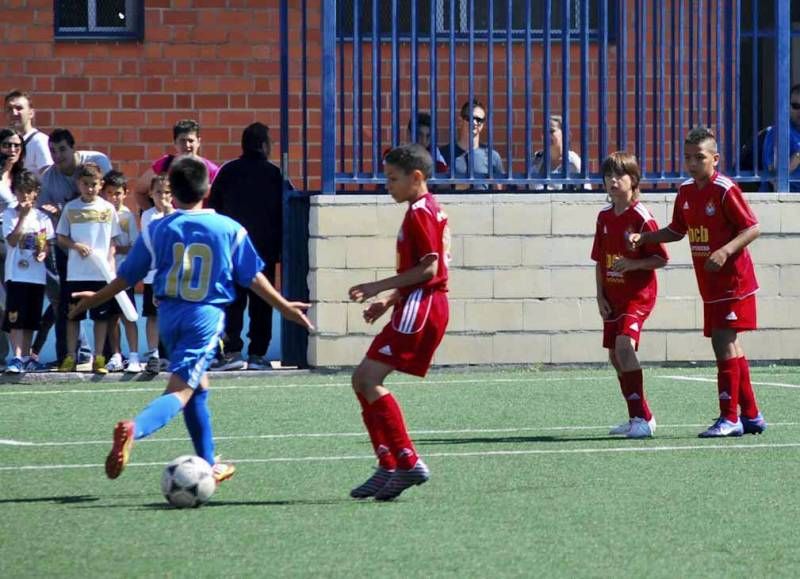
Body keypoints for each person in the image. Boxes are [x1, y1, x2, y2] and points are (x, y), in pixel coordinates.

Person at [69, 156, 314, 484]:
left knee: (198, 387)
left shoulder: (157, 228)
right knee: (181, 390)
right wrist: (283, 306)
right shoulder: (229, 229)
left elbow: (128, 276)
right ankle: (134, 429)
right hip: (204, 318)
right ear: (208, 189)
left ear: (174, 190)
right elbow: (253, 277)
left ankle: (209, 462)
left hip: (169, 317)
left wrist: (95, 298)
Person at [630, 127, 767, 437]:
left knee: (723, 343)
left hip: (734, 282)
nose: (693, 164)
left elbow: (752, 227)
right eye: (688, 158)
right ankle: (752, 415)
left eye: (700, 158)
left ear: (714, 159)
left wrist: (725, 250)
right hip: (711, 285)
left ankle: (729, 418)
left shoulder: (724, 189)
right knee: (730, 344)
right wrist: (647, 237)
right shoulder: (687, 191)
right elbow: (677, 230)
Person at [347, 143, 450, 501]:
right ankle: (389, 463)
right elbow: (418, 271)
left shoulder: (421, 211)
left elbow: (429, 269)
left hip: (422, 307)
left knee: (367, 378)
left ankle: (405, 460)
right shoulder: (422, 209)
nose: (386, 184)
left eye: (392, 178)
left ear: (416, 177)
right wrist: (387, 302)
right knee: (362, 379)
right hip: (416, 303)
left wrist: (378, 286)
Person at [591, 152, 668, 438]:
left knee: (625, 347)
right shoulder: (604, 217)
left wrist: (634, 264)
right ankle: (640, 415)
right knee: (614, 356)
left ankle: (641, 420)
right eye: (608, 176)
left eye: (619, 175)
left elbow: (661, 258)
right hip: (613, 295)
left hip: (638, 295)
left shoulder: (641, 217)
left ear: (633, 181)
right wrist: (599, 296)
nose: (612, 180)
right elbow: (600, 260)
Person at [208, 122, 283, 371]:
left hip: (231, 249)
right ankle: (258, 355)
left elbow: (214, 206)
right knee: (262, 303)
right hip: (264, 251)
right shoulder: (274, 174)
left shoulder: (227, 171)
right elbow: (287, 209)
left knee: (233, 302)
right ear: (264, 145)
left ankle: (232, 352)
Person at [38, 128, 111, 364]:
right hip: (68, 250)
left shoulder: (97, 162)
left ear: (73, 148)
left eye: (62, 150)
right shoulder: (49, 178)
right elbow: (46, 216)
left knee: (104, 300)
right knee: (66, 303)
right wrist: (58, 214)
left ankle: (107, 355)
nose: (57, 156)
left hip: (98, 248)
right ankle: (67, 356)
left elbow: (109, 198)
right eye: (52, 151)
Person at [56, 162, 121, 374]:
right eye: (86, 184)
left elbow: (113, 242)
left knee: (100, 317)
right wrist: (76, 245)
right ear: (78, 184)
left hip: (100, 274)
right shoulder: (71, 207)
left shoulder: (107, 208)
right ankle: (70, 357)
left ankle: (99, 357)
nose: (90, 188)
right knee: (73, 315)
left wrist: (110, 266)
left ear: (101, 184)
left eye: (94, 184)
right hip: (76, 274)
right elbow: (61, 237)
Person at [2, 170, 54, 373]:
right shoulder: (9, 214)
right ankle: (15, 357)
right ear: (15, 192)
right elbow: (12, 241)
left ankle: (25, 356)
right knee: (16, 318)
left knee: (31, 318)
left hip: (36, 276)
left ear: (36, 193)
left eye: (29, 191)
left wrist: (43, 253)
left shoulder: (42, 217)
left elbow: (46, 243)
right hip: (16, 275)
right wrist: (22, 218)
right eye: (21, 191)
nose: (24, 196)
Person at [101, 170, 142, 373]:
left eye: (117, 193)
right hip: (107, 273)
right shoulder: (101, 213)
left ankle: (134, 355)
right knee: (112, 316)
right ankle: (116, 355)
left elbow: (133, 245)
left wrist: (116, 248)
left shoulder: (127, 216)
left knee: (128, 314)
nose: (113, 197)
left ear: (125, 193)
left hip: (124, 273)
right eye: (109, 193)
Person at [133, 119, 219, 212]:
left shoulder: (211, 170)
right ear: (175, 142)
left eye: (191, 140)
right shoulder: (164, 165)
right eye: (182, 141)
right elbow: (139, 192)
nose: (187, 145)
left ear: (198, 141)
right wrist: (153, 215)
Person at [139, 174, 174, 375]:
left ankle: (169, 354)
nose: (163, 196)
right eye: (159, 192)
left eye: (168, 192)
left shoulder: (177, 215)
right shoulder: (148, 215)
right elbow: (152, 243)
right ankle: (153, 354)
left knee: (170, 316)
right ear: (151, 194)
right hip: (153, 275)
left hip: (172, 276)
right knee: (152, 316)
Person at [440, 99, 505, 191]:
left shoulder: (492, 156)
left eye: (479, 120)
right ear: (460, 121)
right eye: (469, 118)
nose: (474, 123)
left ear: (483, 124)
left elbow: (499, 191)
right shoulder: (443, 154)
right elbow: (436, 188)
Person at [529, 114, 590, 192]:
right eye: (544, 132)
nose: (546, 135)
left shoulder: (573, 161)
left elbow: (586, 191)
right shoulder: (536, 160)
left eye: (551, 131)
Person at [761, 83, 800, 192]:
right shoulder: (779, 132)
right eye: (796, 106)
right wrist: (797, 157)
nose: (799, 111)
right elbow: (774, 175)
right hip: (788, 198)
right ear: (788, 106)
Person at [4, 90, 52, 174]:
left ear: (31, 113)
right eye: (9, 109)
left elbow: (49, 179)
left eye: (19, 108)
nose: (14, 113)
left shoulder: (39, 141)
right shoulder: (5, 144)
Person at [383, 113, 448, 173]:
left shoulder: (436, 156)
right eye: (419, 135)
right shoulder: (392, 155)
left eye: (428, 136)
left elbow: (444, 183)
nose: (423, 141)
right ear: (409, 134)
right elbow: (383, 183)